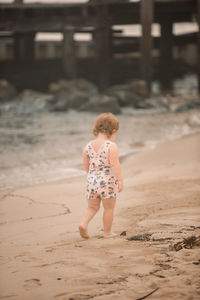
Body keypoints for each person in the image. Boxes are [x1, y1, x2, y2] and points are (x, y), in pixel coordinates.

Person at [79, 113, 123, 239]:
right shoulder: (111, 146)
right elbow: (115, 165)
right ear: (113, 131)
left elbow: (85, 164)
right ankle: (107, 232)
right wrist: (120, 180)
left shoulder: (87, 146)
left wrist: (91, 176)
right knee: (109, 209)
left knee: (92, 207)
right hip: (107, 182)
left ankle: (83, 223)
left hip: (91, 181)